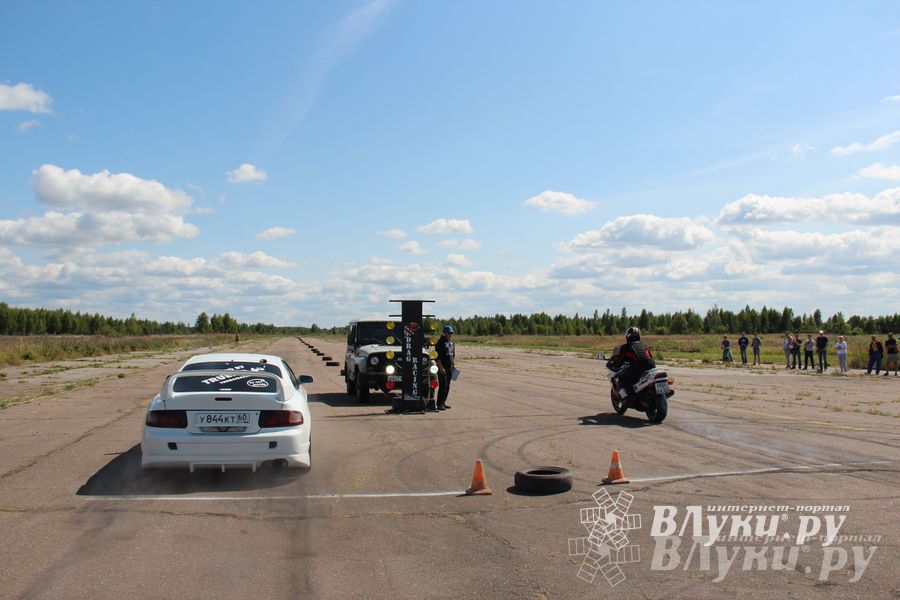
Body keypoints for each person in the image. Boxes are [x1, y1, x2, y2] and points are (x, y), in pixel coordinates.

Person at [607, 327, 655, 401]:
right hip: (651, 365)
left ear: (627, 337)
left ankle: (631, 397)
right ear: (639, 336)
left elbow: (620, 361)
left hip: (638, 366)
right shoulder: (645, 344)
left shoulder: (626, 347)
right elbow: (650, 357)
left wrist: (614, 364)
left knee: (621, 378)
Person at [435, 325, 456, 410]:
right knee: (443, 386)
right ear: (444, 333)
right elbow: (437, 357)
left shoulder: (451, 342)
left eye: (451, 333)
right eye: (449, 333)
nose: (450, 335)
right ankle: (439, 404)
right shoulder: (440, 342)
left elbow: (452, 355)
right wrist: (440, 368)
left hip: (449, 367)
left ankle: (443, 402)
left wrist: (453, 364)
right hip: (442, 367)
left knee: (448, 386)